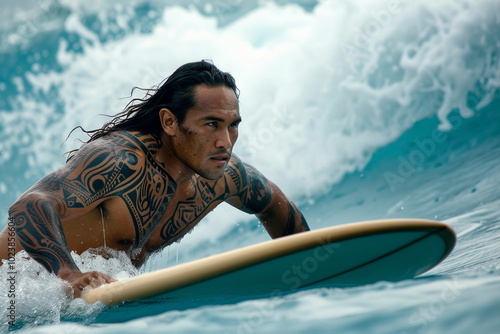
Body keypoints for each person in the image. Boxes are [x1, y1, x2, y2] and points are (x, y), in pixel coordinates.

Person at [0, 60, 309, 298]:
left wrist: (308, 268)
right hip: (11, 294)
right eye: (211, 124)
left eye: (232, 126)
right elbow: (28, 206)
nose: (225, 142)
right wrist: (68, 275)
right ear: (169, 122)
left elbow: (273, 204)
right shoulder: (119, 160)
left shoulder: (223, 177)